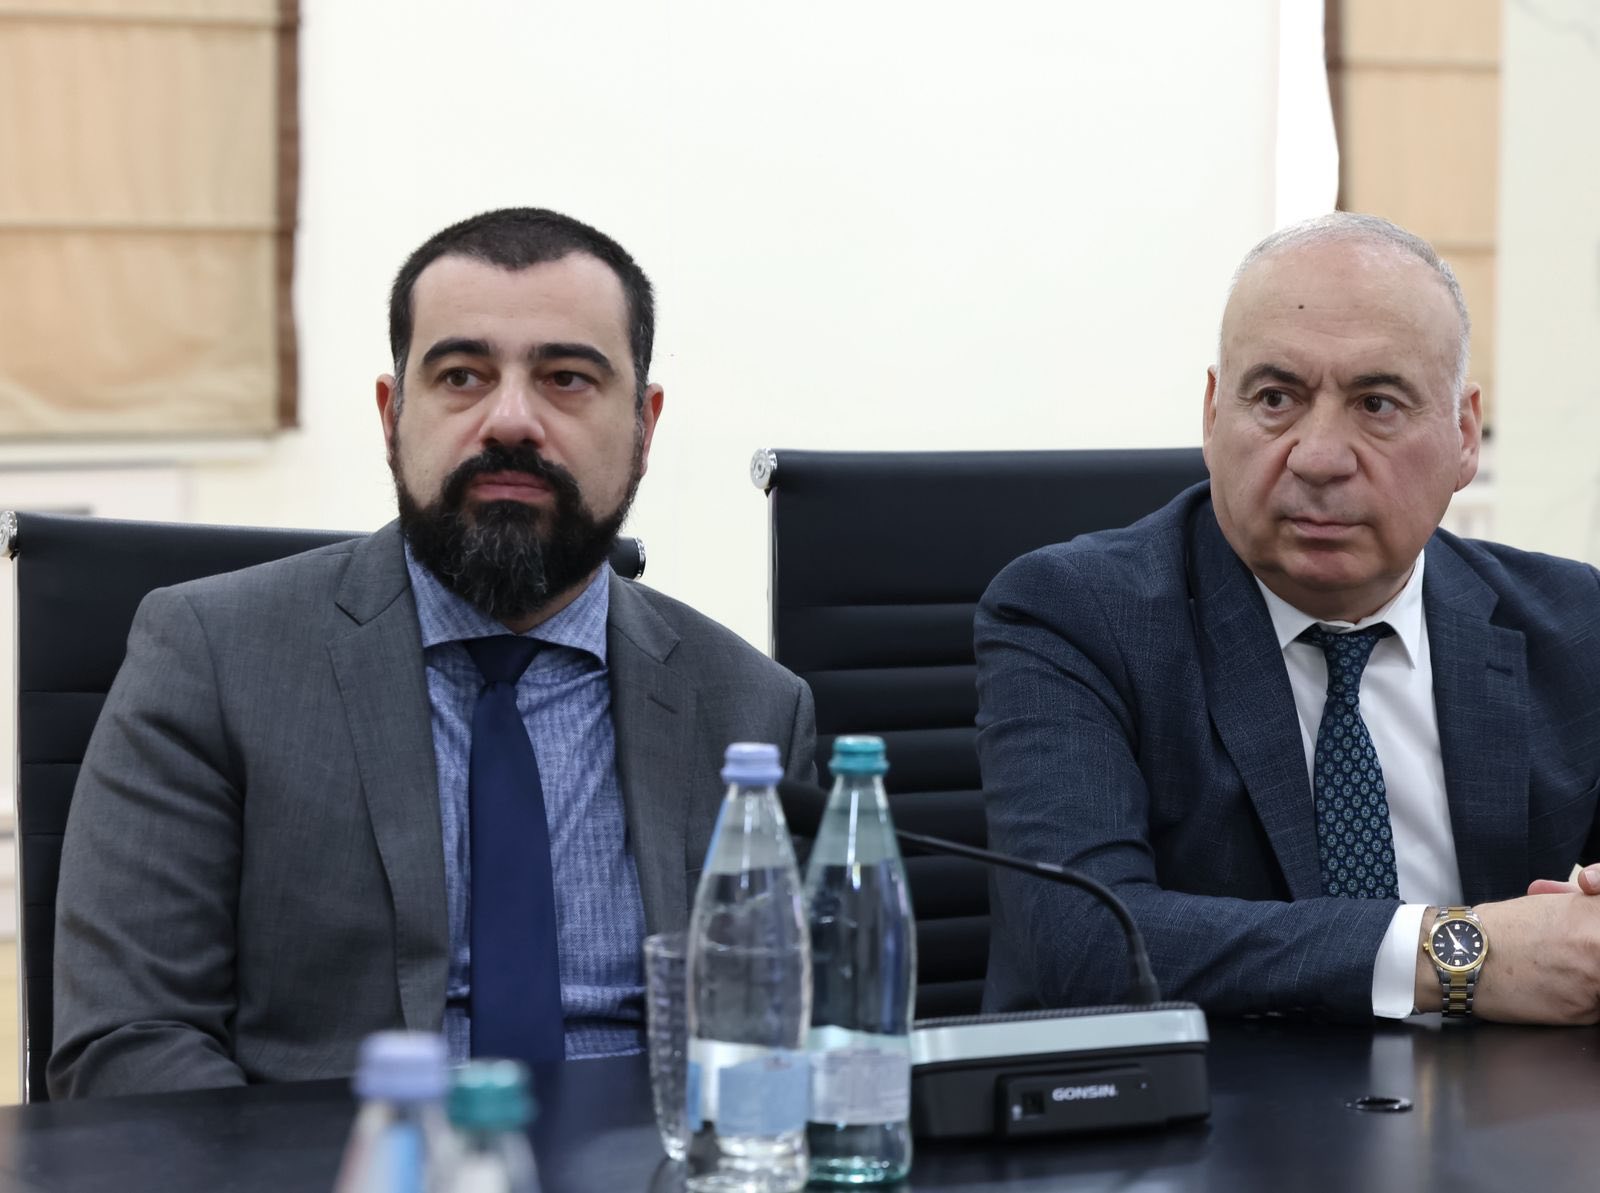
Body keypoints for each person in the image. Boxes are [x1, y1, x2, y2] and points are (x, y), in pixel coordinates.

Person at [49, 208, 816, 1098]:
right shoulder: (213, 659)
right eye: (462, 376)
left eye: (567, 378)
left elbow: (792, 1044)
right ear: (392, 415)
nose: (512, 420)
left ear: (644, 427)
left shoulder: (751, 709)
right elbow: (129, 1040)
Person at [978, 212, 1600, 1026]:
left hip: (1498, 1100)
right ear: (1212, 414)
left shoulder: (1574, 625)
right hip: (1211, 1099)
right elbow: (1090, 944)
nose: (1318, 456)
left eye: (1377, 404)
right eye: (1276, 398)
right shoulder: (1075, 615)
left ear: (1462, 434)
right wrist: (1459, 953)